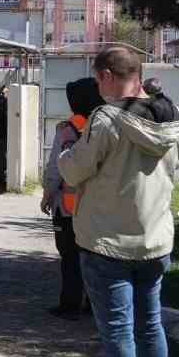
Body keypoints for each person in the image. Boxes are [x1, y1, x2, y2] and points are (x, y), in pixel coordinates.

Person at [59, 45, 179, 357]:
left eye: (99, 78)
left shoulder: (107, 118)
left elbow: (75, 169)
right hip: (154, 239)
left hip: (107, 241)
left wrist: (68, 150)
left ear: (109, 76)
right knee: (150, 324)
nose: (98, 87)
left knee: (117, 329)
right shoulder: (175, 116)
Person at [40, 77, 104, 319]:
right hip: (96, 206)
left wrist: (47, 194)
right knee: (95, 257)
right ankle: (92, 303)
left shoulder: (68, 128)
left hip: (68, 207)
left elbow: (57, 167)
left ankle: (70, 303)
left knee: (69, 257)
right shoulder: (103, 125)